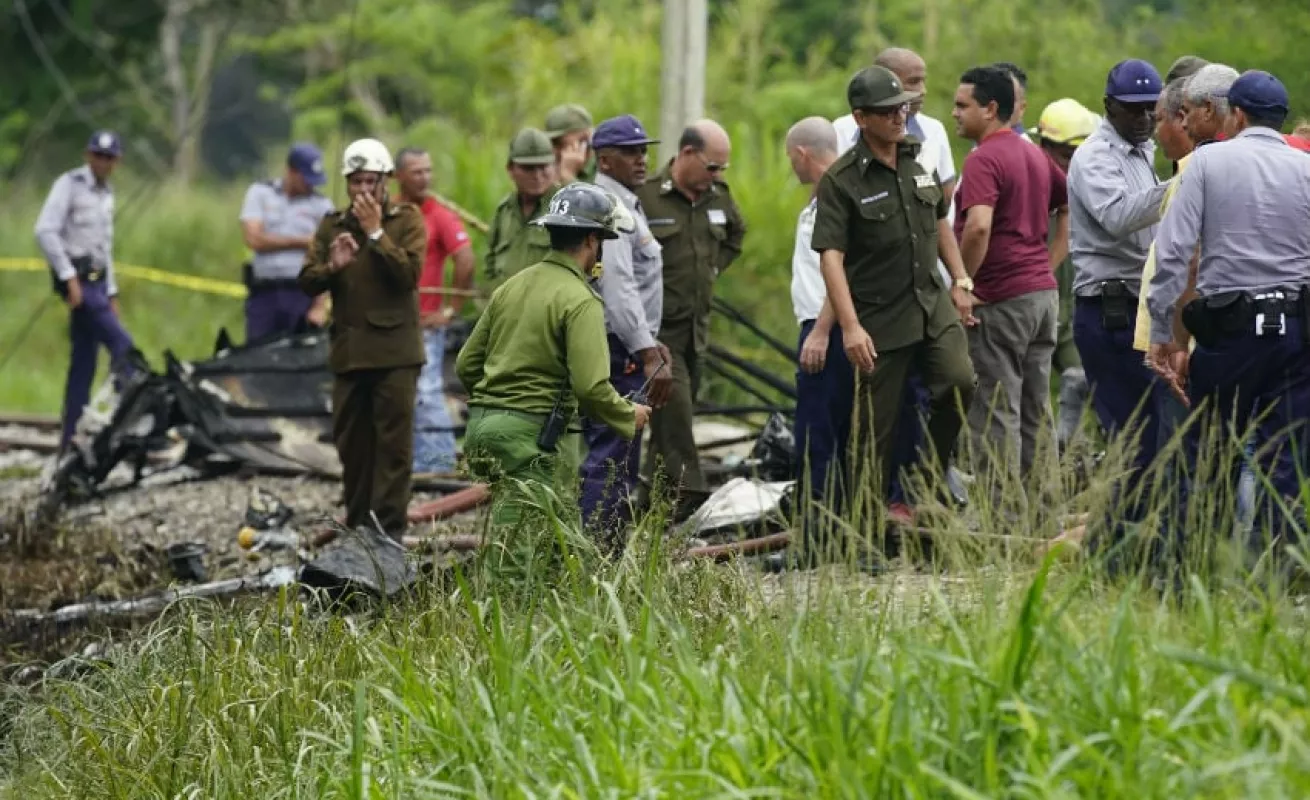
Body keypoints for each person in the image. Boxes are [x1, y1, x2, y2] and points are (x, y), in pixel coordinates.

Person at [1147, 70, 1310, 563]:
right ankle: (1278, 572)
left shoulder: (1206, 162)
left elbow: (1174, 254)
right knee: (1285, 455)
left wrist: (1164, 335)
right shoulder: (1305, 168)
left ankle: (1205, 567)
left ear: (1235, 115)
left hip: (1230, 330)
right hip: (1295, 330)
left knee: (1211, 450)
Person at [811, 66, 976, 535]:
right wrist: (848, 326)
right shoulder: (842, 180)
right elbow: (831, 259)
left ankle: (924, 485)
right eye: (887, 111)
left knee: (960, 383)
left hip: (930, 302)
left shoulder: (915, 160)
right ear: (861, 118)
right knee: (873, 432)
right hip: (879, 315)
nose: (899, 115)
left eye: (902, 105)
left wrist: (961, 279)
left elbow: (940, 223)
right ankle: (863, 531)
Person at [457, 183, 652, 527]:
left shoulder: (511, 287)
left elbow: (467, 364)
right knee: (530, 546)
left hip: (482, 429)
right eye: (603, 241)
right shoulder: (580, 299)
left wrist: (499, 404)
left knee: (518, 534)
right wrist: (626, 415)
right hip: (533, 438)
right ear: (592, 240)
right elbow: (591, 388)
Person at [1064, 59, 1174, 537]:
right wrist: (1188, 183)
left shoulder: (1142, 151)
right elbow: (1118, 216)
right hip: (1109, 307)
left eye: (1152, 109)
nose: (1145, 118)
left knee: (1154, 432)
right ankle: (1115, 544)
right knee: (1131, 435)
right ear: (1109, 106)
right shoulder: (1095, 157)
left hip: (1140, 304)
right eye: (1134, 110)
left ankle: (1132, 535)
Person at [297, 138, 426, 540]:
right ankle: (357, 530)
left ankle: (388, 534)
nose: (364, 190)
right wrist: (332, 268)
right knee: (353, 448)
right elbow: (306, 280)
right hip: (350, 355)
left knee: (394, 450)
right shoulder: (332, 225)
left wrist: (375, 235)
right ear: (347, 184)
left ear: (386, 182)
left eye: (372, 181)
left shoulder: (406, 220)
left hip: (395, 354)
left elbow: (408, 276)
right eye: (356, 182)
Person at [952, 65, 1068, 514]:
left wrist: (963, 281)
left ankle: (1001, 518)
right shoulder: (1034, 154)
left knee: (997, 408)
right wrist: (1048, 262)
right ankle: (1045, 510)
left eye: (963, 105)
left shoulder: (984, 158)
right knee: (1037, 406)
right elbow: (1066, 204)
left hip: (1001, 300)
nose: (956, 113)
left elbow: (978, 225)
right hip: (1041, 297)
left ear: (991, 108)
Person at [636, 120, 747, 499]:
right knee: (679, 419)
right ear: (686, 154)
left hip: (696, 330)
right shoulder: (647, 198)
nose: (716, 175)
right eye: (711, 166)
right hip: (658, 332)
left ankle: (650, 501)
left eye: (722, 169)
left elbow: (736, 234)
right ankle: (693, 496)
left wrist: (713, 269)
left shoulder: (718, 197)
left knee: (669, 420)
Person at [581, 114, 673, 537]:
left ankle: (609, 548)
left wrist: (651, 342)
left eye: (643, 150)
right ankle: (600, 551)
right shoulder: (610, 208)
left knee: (623, 451)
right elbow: (617, 289)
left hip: (627, 346)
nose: (642, 159)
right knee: (613, 453)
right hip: (617, 349)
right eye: (631, 152)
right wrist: (646, 350)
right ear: (605, 159)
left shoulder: (625, 204)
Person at [35, 130, 142, 450]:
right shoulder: (69, 185)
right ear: (87, 155)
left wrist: (112, 291)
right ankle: (132, 412)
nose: (103, 163)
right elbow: (45, 230)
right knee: (124, 346)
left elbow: (103, 248)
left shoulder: (107, 194)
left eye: (109, 158)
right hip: (79, 281)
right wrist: (68, 276)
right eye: (98, 156)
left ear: (117, 161)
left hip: (97, 282)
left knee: (84, 361)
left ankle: (70, 439)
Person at [785, 116, 858, 540]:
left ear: (802, 154)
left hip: (824, 329)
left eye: (790, 160)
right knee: (828, 430)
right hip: (823, 325)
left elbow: (842, 268)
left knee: (817, 434)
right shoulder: (826, 193)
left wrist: (822, 330)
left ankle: (816, 537)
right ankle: (830, 530)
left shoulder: (836, 193)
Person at [393, 146, 476, 475]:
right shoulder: (390, 213)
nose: (425, 177)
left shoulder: (438, 214)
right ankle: (412, 461)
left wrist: (451, 309)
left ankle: (438, 462)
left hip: (426, 324)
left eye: (428, 170)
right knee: (401, 394)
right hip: (391, 323)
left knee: (427, 393)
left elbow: (466, 258)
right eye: (417, 172)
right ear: (398, 176)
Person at [1030, 98, 1101, 450]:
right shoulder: (1026, 182)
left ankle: (1082, 456)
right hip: (1034, 309)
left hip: (1073, 313)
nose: (1068, 165)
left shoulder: (1093, 188)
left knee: (1092, 383)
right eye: (1063, 155)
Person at [238, 143, 334, 343]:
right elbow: (254, 239)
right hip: (264, 294)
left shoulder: (321, 205)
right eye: (305, 178)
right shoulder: (261, 193)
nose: (310, 185)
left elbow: (328, 257)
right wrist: (304, 242)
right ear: (291, 171)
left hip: (302, 295)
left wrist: (319, 306)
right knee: (258, 354)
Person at [485, 127, 559, 288]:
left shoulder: (567, 209)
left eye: (544, 166)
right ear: (510, 169)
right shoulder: (504, 211)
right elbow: (490, 263)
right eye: (528, 168)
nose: (537, 175)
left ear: (554, 166)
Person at [545, 103, 594, 183]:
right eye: (551, 143)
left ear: (584, 141)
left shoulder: (604, 170)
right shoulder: (548, 169)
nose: (553, 150)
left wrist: (568, 177)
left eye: (558, 143)